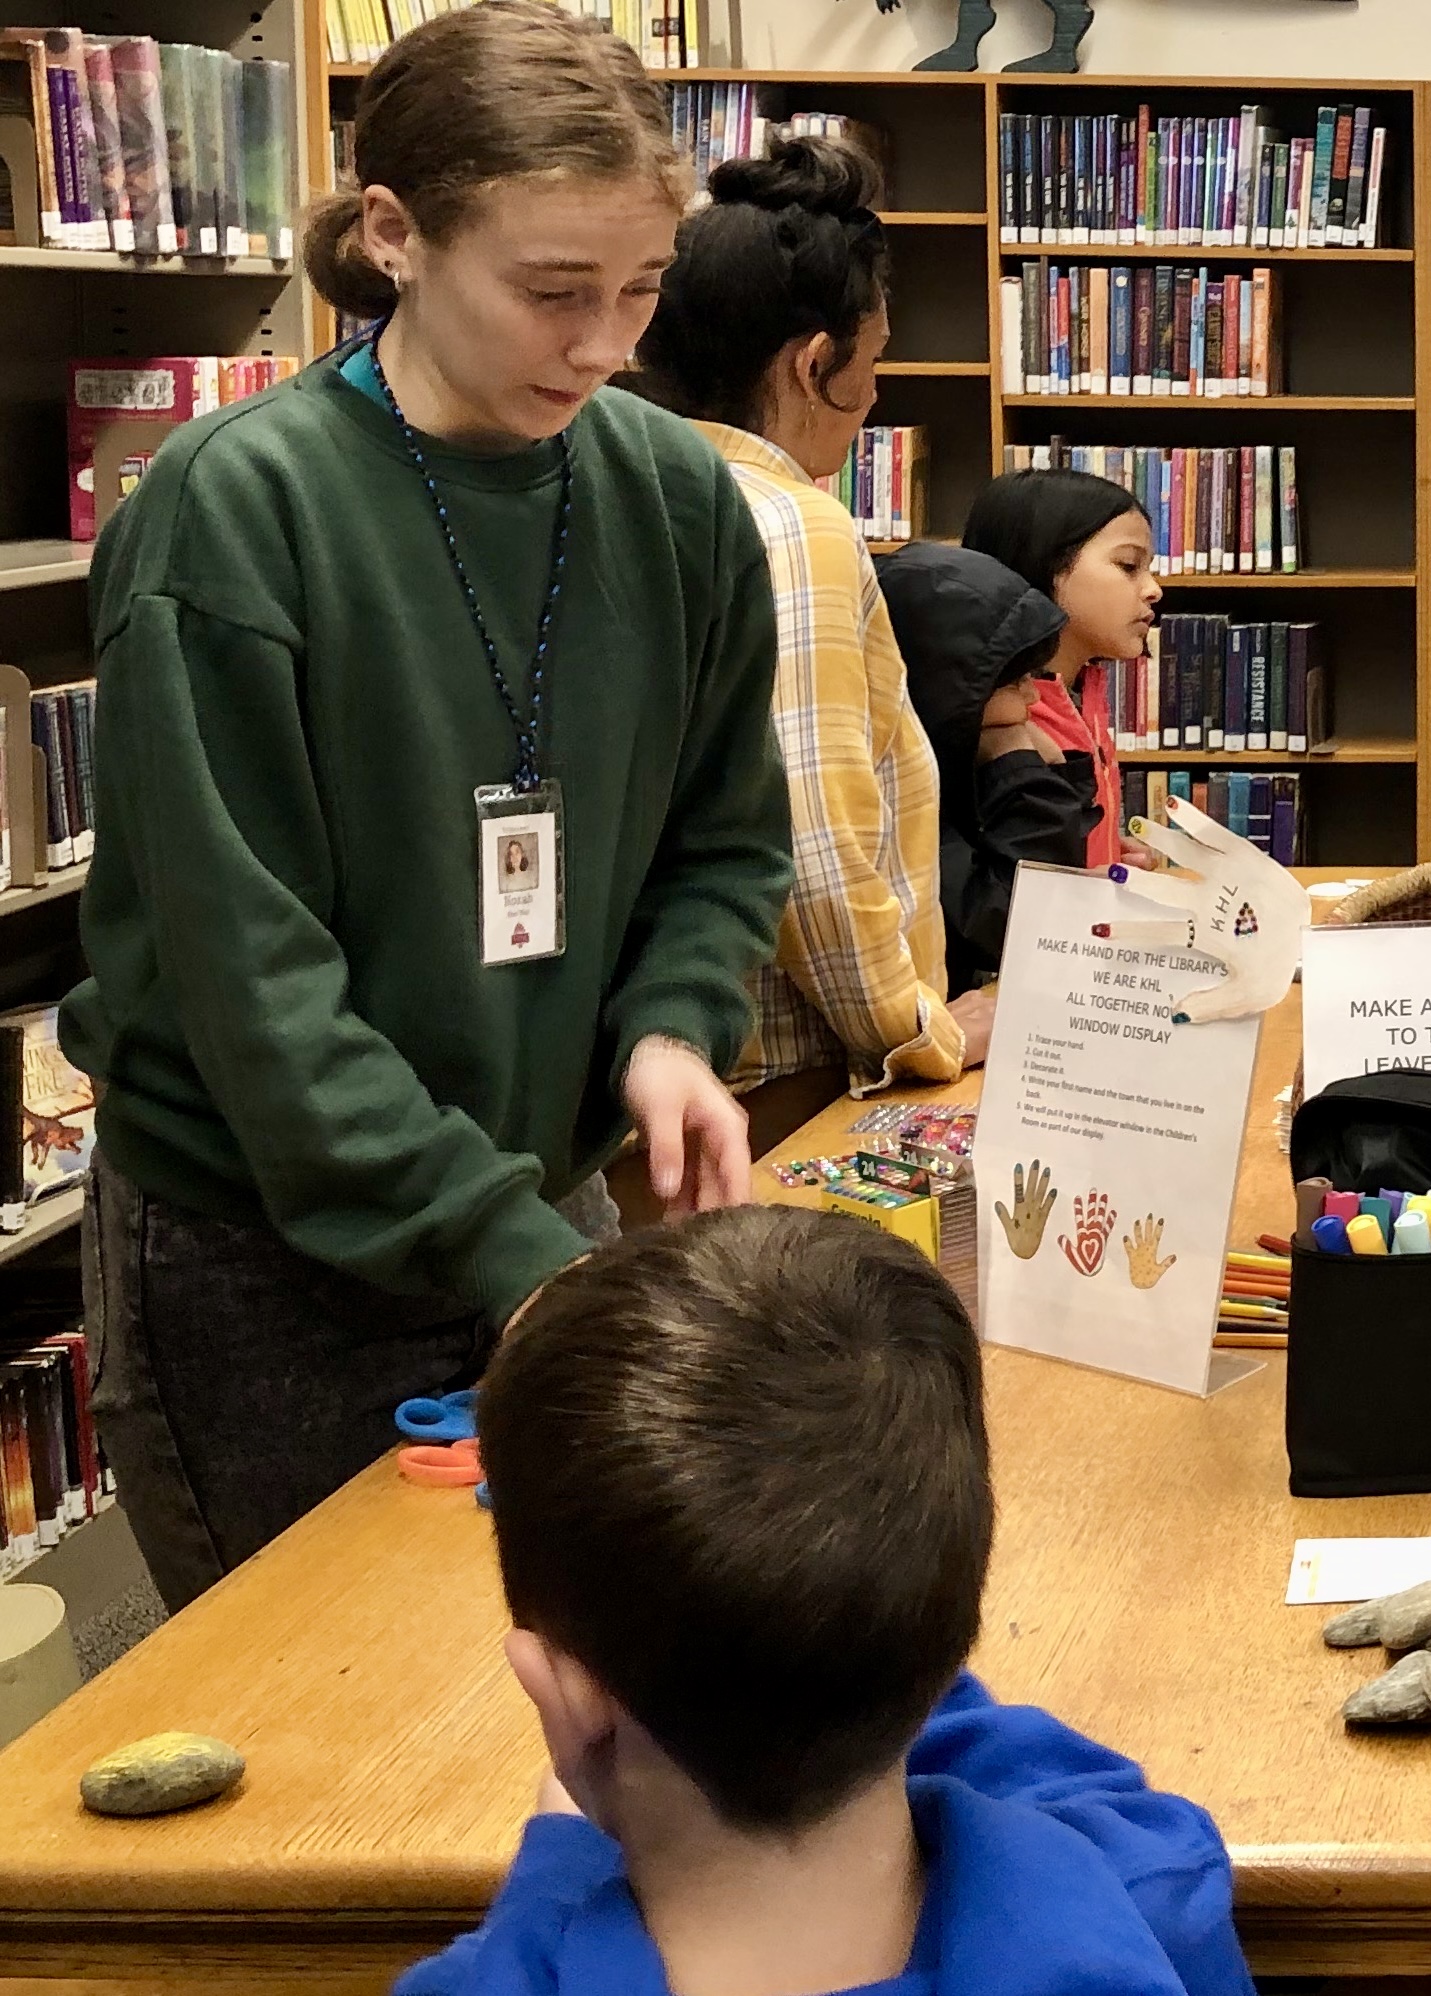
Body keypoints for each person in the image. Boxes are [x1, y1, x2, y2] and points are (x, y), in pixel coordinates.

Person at [64, 1, 793, 1611]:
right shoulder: (234, 511)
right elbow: (254, 992)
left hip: (538, 1206)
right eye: (552, 294)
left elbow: (725, 839)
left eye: (642, 292)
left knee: (558, 1691)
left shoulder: (680, 498)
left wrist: (672, 1028)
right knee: (335, 1759)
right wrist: (521, 1254)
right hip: (266, 1265)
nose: (605, 346)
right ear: (393, 234)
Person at [396, 1205, 1255, 1996]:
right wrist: (871, 1617)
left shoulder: (494, 1974)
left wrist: (557, 1873)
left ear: (564, 1698)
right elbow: (1058, 1781)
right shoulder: (1148, 1888)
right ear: (941, 1642)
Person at [637, 134, 983, 1153]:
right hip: (782, 1082)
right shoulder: (792, 526)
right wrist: (923, 1031)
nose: (876, 399)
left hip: (657, 1065)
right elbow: (813, 837)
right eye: (870, 366)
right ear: (812, 363)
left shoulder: (628, 488)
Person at [880, 543, 1092, 994]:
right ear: (950, 697)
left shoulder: (956, 766)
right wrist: (1019, 764)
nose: (1033, 699)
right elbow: (1018, 924)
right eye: (1015, 682)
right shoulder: (900, 801)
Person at [960, 468, 1164, 871]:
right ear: (1043, 563)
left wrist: (1101, 852)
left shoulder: (1081, 692)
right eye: (1128, 565)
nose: (1153, 588)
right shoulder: (998, 720)